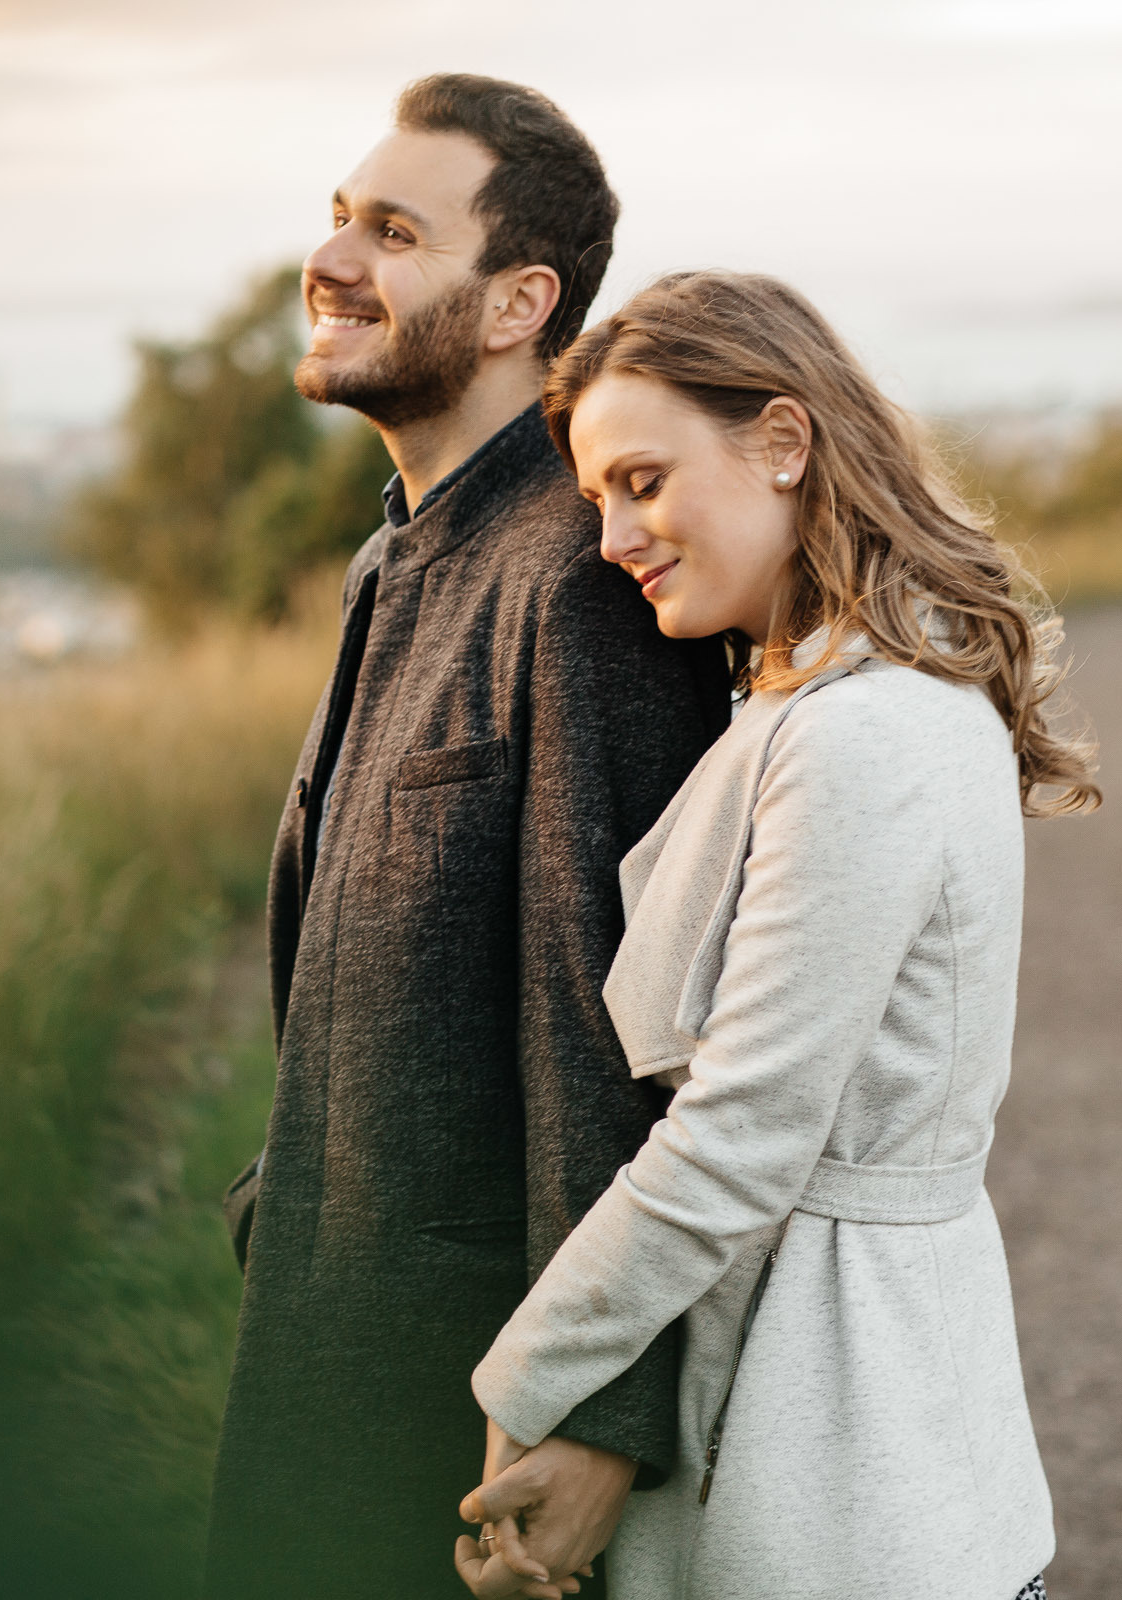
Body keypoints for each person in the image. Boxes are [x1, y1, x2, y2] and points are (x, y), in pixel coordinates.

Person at [455, 270, 1097, 1600]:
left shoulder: (871, 732)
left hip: (860, 1451)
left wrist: (529, 1385)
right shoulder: (806, 701)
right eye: (597, 499)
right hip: (811, 1409)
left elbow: (740, 1135)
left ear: (785, 442)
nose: (612, 537)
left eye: (642, 482)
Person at [204, 76, 732, 1600]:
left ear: (519, 303)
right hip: (326, 1341)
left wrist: (597, 1413)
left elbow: (613, 1036)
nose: (330, 261)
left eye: (392, 232)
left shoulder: (581, 578)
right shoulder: (395, 555)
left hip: (464, 1426)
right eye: (337, 220)